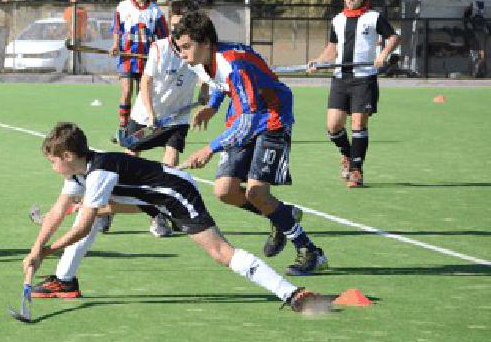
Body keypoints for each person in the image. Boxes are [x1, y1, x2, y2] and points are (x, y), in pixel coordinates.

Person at [24, 122, 321, 311]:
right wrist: (37, 249)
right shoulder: (79, 173)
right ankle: (64, 281)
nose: (51, 168)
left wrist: (49, 251)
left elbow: (86, 224)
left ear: (67, 157)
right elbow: (56, 211)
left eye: (52, 162)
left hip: (175, 194)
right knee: (82, 213)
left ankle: (291, 293)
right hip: (149, 197)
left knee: (220, 252)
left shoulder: (99, 172)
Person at [175, 11, 328, 276]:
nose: (182, 54)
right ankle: (282, 216)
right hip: (243, 115)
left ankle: (311, 252)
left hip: (271, 118)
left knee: (256, 194)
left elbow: (249, 120)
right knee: (225, 191)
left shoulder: (235, 66)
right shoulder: (201, 61)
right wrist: (212, 107)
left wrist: (209, 149)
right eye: (179, 48)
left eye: (186, 47)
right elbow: (218, 83)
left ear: (206, 43)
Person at [307, 0, 399, 188]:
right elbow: (332, 48)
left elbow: (393, 37)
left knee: (358, 123)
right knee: (333, 126)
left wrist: (382, 55)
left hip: (363, 79)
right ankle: (348, 155)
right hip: (340, 79)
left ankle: (356, 171)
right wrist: (318, 62)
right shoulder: (338, 20)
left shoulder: (374, 17)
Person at [127, 0, 208, 236]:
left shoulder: (197, 48)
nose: (177, 29)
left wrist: (204, 92)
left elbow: (205, 73)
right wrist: (151, 114)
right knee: (127, 164)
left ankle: (159, 217)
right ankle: (107, 208)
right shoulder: (159, 48)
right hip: (146, 114)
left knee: (167, 171)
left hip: (177, 117)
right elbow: (145, 82)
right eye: (174, 24)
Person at [109, 0, 169, 133]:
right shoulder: (123, 7)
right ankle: (122, 128)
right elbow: (117, 29)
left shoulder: (155, 11)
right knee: (126, 91)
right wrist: (115, 45)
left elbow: (164, 37)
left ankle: (138, 127)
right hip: (128, 58)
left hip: (147, 59)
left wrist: (160, 55)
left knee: (143, 95)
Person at [464, 1, 488, 78]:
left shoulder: (473, 61)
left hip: (475, 39)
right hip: (478, 36)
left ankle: (475, 9)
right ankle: (478, 8)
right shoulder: (479, 61)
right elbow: (482, 55)